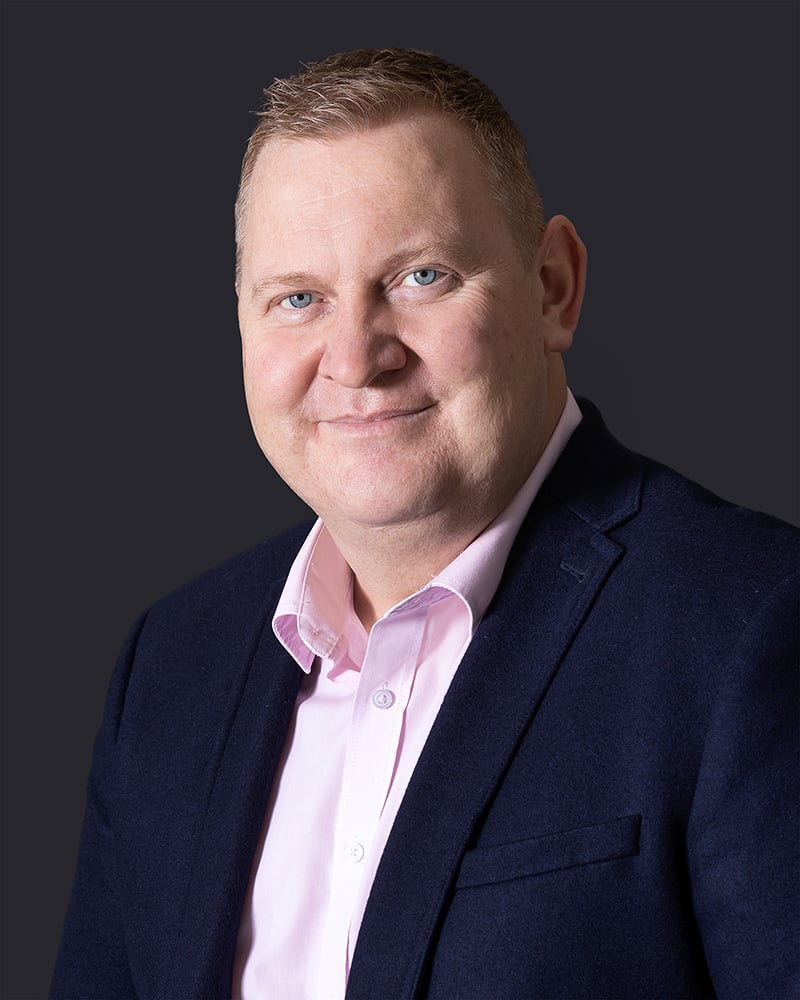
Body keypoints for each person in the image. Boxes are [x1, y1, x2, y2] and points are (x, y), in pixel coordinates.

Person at [50, 47, 798, 999]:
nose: (355, 357)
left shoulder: (749, 626)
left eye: (421, 277)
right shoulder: (169, 668)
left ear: (553, 286)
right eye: (298, 299)